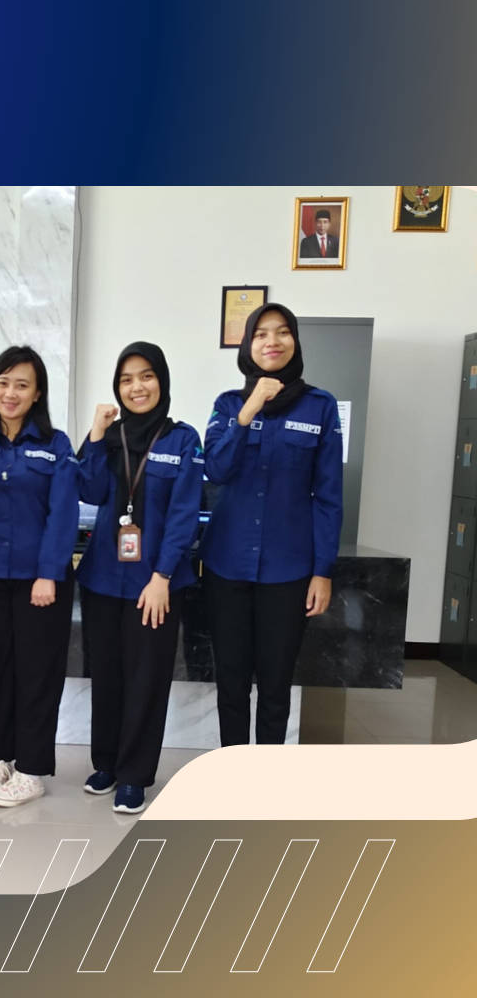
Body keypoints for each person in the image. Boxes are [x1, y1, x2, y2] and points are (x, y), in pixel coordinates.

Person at [200, 302, 343, 745]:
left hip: (289, 569)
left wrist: (323, 571)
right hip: (227, 565)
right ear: (248, 345)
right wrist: (248, 412)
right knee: (231, 682)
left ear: (294, 341)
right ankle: (232, 770)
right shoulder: (228, 405)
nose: (272, 341)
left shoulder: (320, 407)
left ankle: (266, 776)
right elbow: (215, 470)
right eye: (261, 334)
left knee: (277, 685)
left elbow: (329, 497)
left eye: (282, 332)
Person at [0, 346, 79, 807]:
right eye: (3, 383)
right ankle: (2, 757)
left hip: (38, 580)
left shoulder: (56, 444)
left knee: (37, 672)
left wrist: (48, 574)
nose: (10, 392)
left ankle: (32, 768)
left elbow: (63, 513)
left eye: (22, 384)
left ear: (37, 392)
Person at [76, 343, 203, 813]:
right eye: (126, 379)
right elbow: (88, 489)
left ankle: (134, 774)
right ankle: (107, 763)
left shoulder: (182, 439)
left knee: (146, 679)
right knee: (107, 676)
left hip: (156, 583)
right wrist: (95, 434)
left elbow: (185, 513)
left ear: (161, 382)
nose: (137, 387)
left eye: (146, 376)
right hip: (103, 579)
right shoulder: (108, 437)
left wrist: (162, 575)